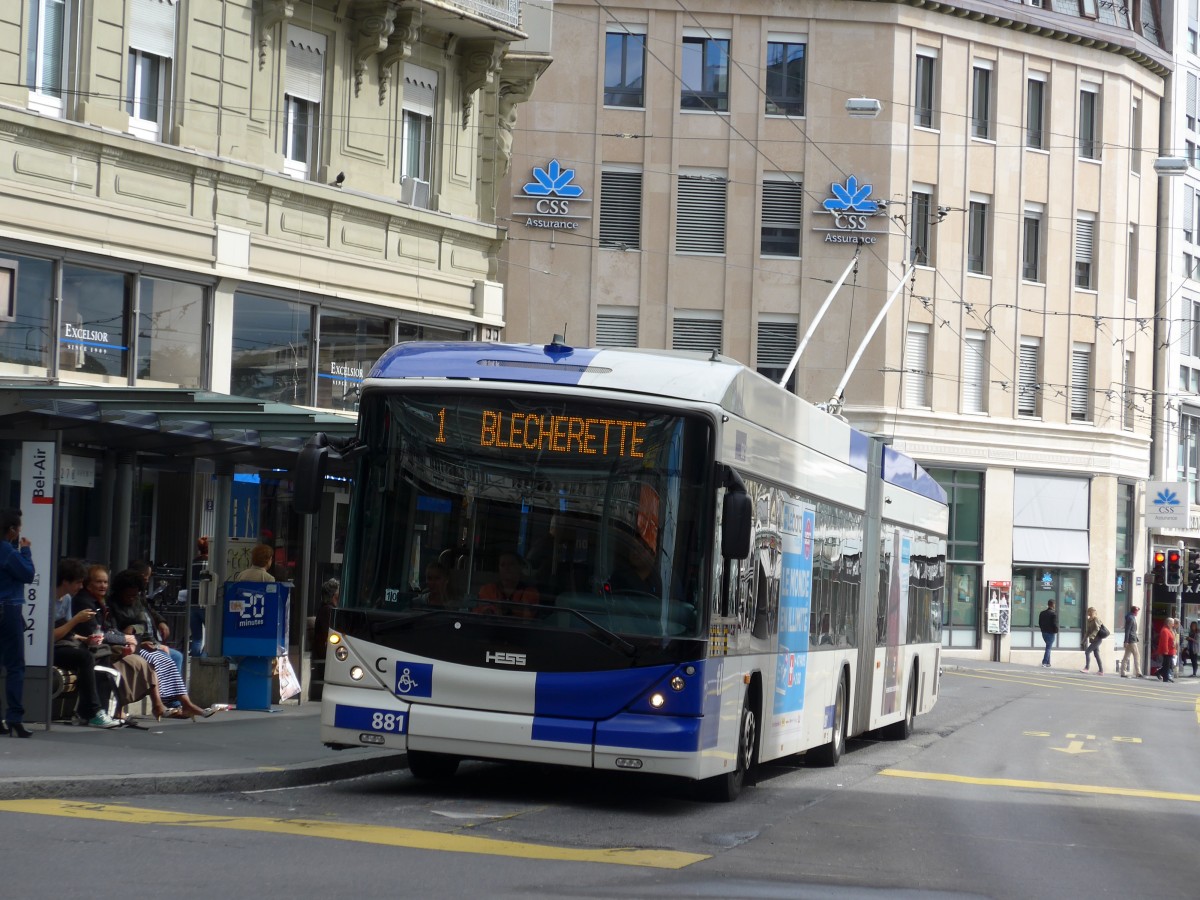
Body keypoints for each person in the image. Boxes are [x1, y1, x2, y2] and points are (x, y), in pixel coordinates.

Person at [74, 566, 211, 719]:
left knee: (173, 657)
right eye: (98, 582)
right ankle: (164, 704)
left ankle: (179, 704)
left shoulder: (135, 601)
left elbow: (145, 618)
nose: (103, 586)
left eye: (105, 582)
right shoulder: (106, 604)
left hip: (138, 644)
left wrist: (157, 623)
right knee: (157, 660)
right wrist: (129, 639)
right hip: (128, 646)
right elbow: (107, 631)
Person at [52, 558, 118, 728]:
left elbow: (68, 633)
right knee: (85, 657)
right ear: (65, 581)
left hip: (65, 644)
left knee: (101, 653)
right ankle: (94, 711)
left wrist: (85, 639)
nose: (80, 587)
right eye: (78, 583)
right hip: (49, 649)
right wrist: (76, 620)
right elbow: (50, 637)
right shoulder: (48, 599)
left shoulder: (66, 599)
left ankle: (93, 711)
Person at [107, 567, 185, 678]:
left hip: (150, 641)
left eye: (135, 595)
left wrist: (161, 621)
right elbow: (117, 632)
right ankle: (164, 691)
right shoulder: (113, 606)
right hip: (136, 645)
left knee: (177, 656)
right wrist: (136, 634)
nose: (132, 598)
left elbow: (150, 611)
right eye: (128, 595)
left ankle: (170, 692)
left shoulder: (138, 599)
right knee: (164, 657)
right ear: (120, 592)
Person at [0, 508, 36, 738]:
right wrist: (26, 551)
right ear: (11, 530)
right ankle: (15, 717)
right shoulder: (8, 551)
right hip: (8, 608)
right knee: (15, 666)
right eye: (18, 528)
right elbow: (27, 574)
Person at [475, 551, 539, 618]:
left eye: (511, 564)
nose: (507, 568)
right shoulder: (487, 590)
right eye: (503, 565)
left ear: (520, 567)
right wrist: (490, 611)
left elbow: (528, 618)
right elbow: (481, 612)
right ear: (499, 568)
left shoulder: (530, 592)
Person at [312, 577, 340, 659]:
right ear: (334, 594)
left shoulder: (327, 608)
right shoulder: (327, 610)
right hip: (325, 655)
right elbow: (330, 634)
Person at [1080, 607, 1105, 675]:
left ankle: (1087, 668)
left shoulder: (1096, 619)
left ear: (1091, 612)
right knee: (1096, 655)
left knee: (1087, 651)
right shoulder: (1089, 620)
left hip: (1097, 639)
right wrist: (1084, 640)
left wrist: (1092, 636)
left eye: (1088, 612)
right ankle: (1101, 670)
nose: (1087, 613)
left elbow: (1097, 629)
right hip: (1093, 640)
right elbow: (1088, 631)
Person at [1120, 605, 1143, 678]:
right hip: (1132, 640)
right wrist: (1125, 641)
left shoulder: (1131, 617)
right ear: (1135, 611)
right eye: (1137, 611)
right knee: (1137, 656)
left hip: (1131, 639)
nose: (1137, 613)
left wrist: (1126, 641)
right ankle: (1138, 672)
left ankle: (1123, 672)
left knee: (1126, 656)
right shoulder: (1131, 618)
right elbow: (1128, 630)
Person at [1157, 617, 1178, 683]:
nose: (1173, 624)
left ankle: (1159, 673)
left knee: (1168, 665)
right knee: (1167, 665)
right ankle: (1165, 678)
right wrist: (1166, 650)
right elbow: (1165, 641)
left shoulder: (1169, 630)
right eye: (1172, 623)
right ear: (1169, 623)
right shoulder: (1165, 630)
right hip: (1167, 651)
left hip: (1171, 650)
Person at [1038, 599, 1058, 668]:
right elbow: (1054, 624)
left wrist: (1042, 629)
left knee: (1048, 646)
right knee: (1048, 648)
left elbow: (1040, 623)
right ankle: (1044, 662)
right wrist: (1056, 630)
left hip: (1044, 632)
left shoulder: (1042, 613)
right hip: (1050, 633)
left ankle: (1048, 662)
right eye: (1054, 604)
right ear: (1053, 605)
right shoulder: (1053, 614)